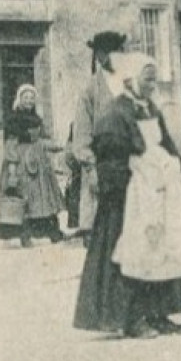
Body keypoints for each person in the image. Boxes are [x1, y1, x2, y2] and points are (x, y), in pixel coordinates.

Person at [74, 53, 181, 338]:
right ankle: (131, 319)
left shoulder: (150, 109)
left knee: (160, 251)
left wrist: (175, 165)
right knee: (131, 256)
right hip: (126, 200)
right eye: (148, 78)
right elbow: (109, 156)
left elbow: (165, 142)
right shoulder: (114, 113)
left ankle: (159, 313)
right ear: (130, 78)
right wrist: (130, 180)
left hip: (156, 195)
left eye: (154, 78)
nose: (153, 83)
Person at [0, 85, 68, 247]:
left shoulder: (37, 118)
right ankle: (24, 234)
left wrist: (58, 147)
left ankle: (52, 232)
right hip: (21, 162)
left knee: (45, 198)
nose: (29, 101)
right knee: (24, 198)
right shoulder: (13, 119)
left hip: (39, 163)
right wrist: (13, 170)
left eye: (32, 98)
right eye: (26, 97)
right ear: (19, 99)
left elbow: (42, 139)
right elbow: (11, 143)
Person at [68, 31, 126, 233]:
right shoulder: (90, 90)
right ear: (100, 56)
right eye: (114, 53)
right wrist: (91, 170)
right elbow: (82, 134)